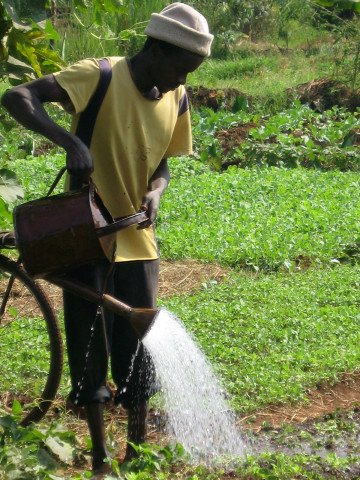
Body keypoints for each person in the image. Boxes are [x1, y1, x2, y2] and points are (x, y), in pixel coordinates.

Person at [1, 2, 213, 475]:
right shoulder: (98, 76)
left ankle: (135, 451)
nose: (184, 79)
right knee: (89, 345)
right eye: (181, 67)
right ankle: (99, 457)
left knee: (139, 353)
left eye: (191, 71)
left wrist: (156, 192)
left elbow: (162, 165)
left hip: (137, 239)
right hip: (84, 236)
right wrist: (69, 141)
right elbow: (18, 97)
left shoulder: (176, 98)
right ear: (156, 49)